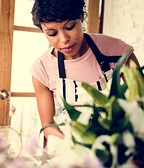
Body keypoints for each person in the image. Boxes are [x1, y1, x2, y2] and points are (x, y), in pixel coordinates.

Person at [30, 0, 140, 143]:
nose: (64, 40)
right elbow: (48, 127)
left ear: (81, 17)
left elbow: (141, 104)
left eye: (70, 27)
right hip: (70, 147)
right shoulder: (41, 68)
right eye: (52, 33)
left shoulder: (118, 51)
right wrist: (80, 146)